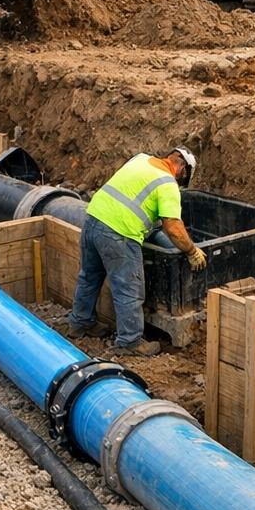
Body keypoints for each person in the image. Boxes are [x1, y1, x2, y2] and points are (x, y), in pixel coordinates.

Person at [69, 147, 206, 357]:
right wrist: (191, 250)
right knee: (129, 289)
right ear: (182, 170)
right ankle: (130, 342)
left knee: (89, 276)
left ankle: (80, 323)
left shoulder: (140, 159)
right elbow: (173, 228)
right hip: (119, 233)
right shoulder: (167, 183)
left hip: (93, 219)